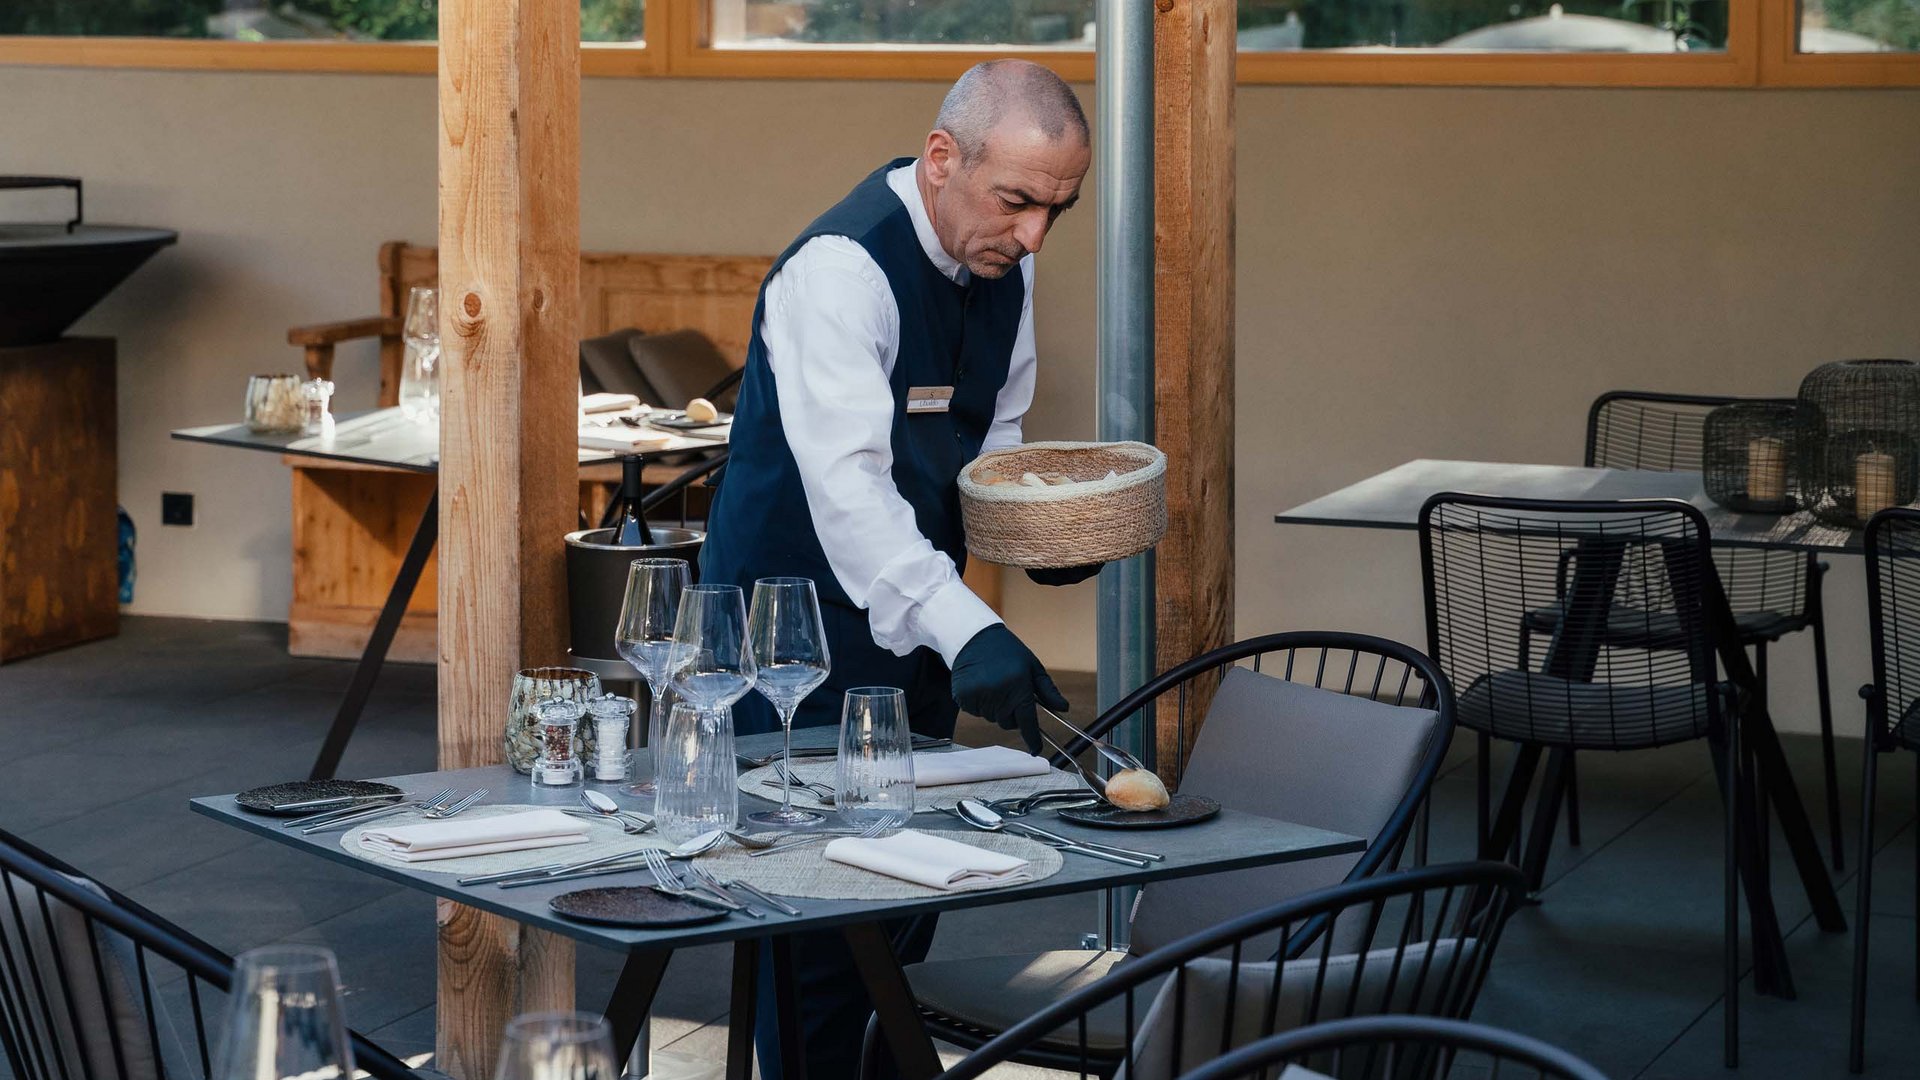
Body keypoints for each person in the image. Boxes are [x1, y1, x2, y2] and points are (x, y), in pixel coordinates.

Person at [698, 58, 1096, 1079]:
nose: (1035, 236)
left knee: (906, 905)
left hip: (912, 621)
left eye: (1057, 210)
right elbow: (851, 498)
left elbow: (991, 433)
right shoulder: (840, 272)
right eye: (1017, 201)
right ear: (941, 157)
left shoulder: (1005, 261)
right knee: (819, 930)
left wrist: (1031, 536)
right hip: (787, 638)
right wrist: (971, 628)